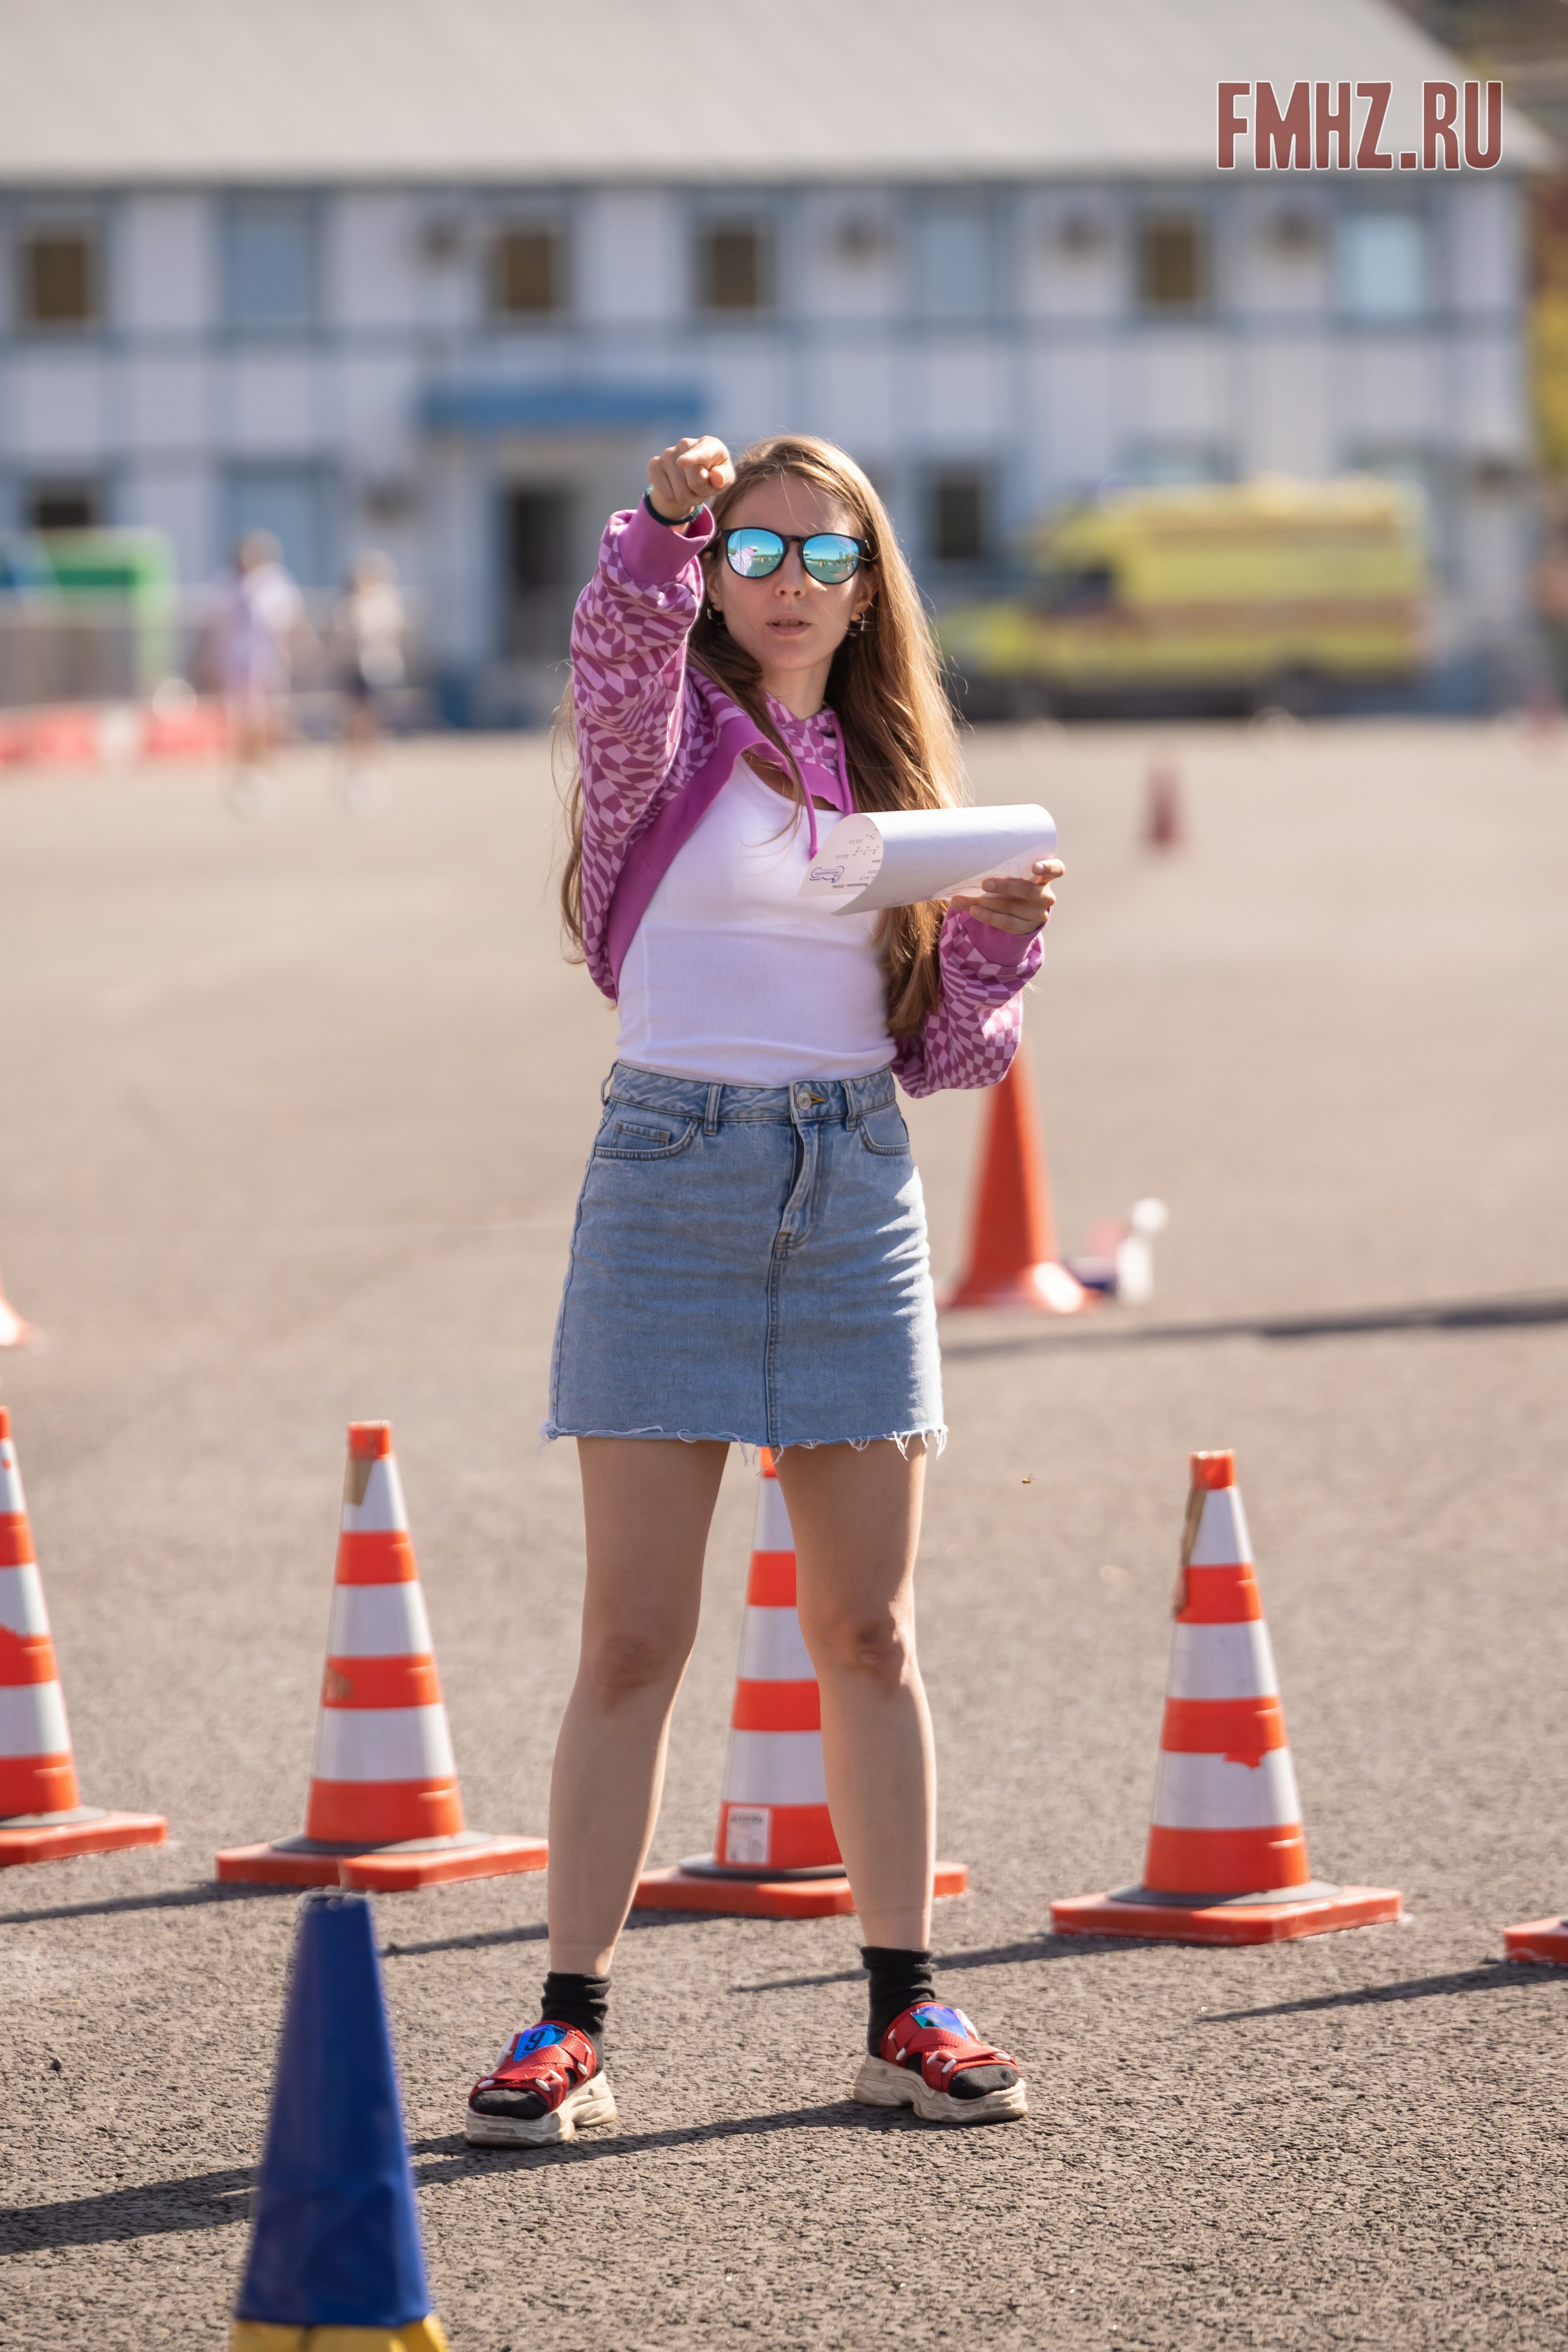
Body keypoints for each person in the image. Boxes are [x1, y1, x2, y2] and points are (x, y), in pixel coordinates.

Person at [464, 434, 1062, 2149]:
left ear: (875, 586)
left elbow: (945, 1056)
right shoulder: (661, 747)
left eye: (832, 556)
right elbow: (613, 653)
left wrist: (1004, 936)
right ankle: (569, 2022)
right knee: (633, 1637)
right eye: (761, 550)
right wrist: (657, 529)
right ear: (720, 574)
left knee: (869, 1633)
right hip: (665, 1177)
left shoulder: (896, 768)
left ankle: (905, 2011)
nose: (794, 581)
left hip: (852, 1185)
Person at [211, 530, 303, 816]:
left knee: (267, 722)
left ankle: (265, 772)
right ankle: (243, 774)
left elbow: (289, 623)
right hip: (236, 664)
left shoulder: (275, 584)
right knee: (240, 723)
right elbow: (216, 628)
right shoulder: (227, 584)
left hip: (267, 663)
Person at [333, 549, 407, 810]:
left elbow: (390, 634)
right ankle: (355, 771)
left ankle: (376, 773)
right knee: (355, 723)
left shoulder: (386, 602)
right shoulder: (349, 605)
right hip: (355, 670)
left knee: (378, 723)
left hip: (380, 670)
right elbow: (342, 640)